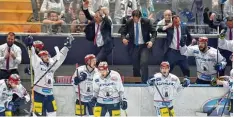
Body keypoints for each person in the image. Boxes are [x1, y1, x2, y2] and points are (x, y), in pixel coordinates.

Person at [24, 35, 74, 116]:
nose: (46, 57)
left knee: (53, 112)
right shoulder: (37, 63)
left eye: (47, 55)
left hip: (49, 93)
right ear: (40, 57)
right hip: (38, 93)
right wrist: (30, 46)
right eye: (44, 56)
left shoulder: (52, 64)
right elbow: (32, 54)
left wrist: (66, 47)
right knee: (37, 114)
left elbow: (60, 57)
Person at [121, 10, 157, 84]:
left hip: (144, 45)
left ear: (140, 17)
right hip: (134, 46)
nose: (135, 21)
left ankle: (144, 82)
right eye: (134, 19)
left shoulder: (146, 22)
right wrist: (123, 38)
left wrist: (151, 41)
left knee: (144, 63)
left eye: (137, 19)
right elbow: (123, 32)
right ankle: (137, 83)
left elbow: (154, 32)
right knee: (135, 66)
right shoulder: (129, 22)